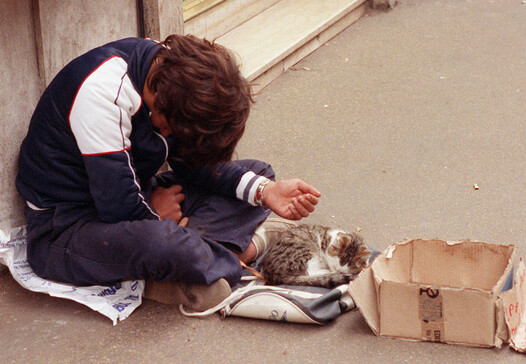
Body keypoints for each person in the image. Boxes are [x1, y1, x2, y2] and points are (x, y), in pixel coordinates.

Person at [16, 35, 321, 311]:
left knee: (258, 175)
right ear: (161, 107)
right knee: (161, 242)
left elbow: (193, 165)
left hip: (138, 196)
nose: (166, 134)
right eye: (170, 128)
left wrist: (267, 192)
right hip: (66, 230)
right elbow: (117, 207)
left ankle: (190, 264)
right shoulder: (103, 94)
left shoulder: (167, 77)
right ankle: (237, 257)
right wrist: (156, 216)